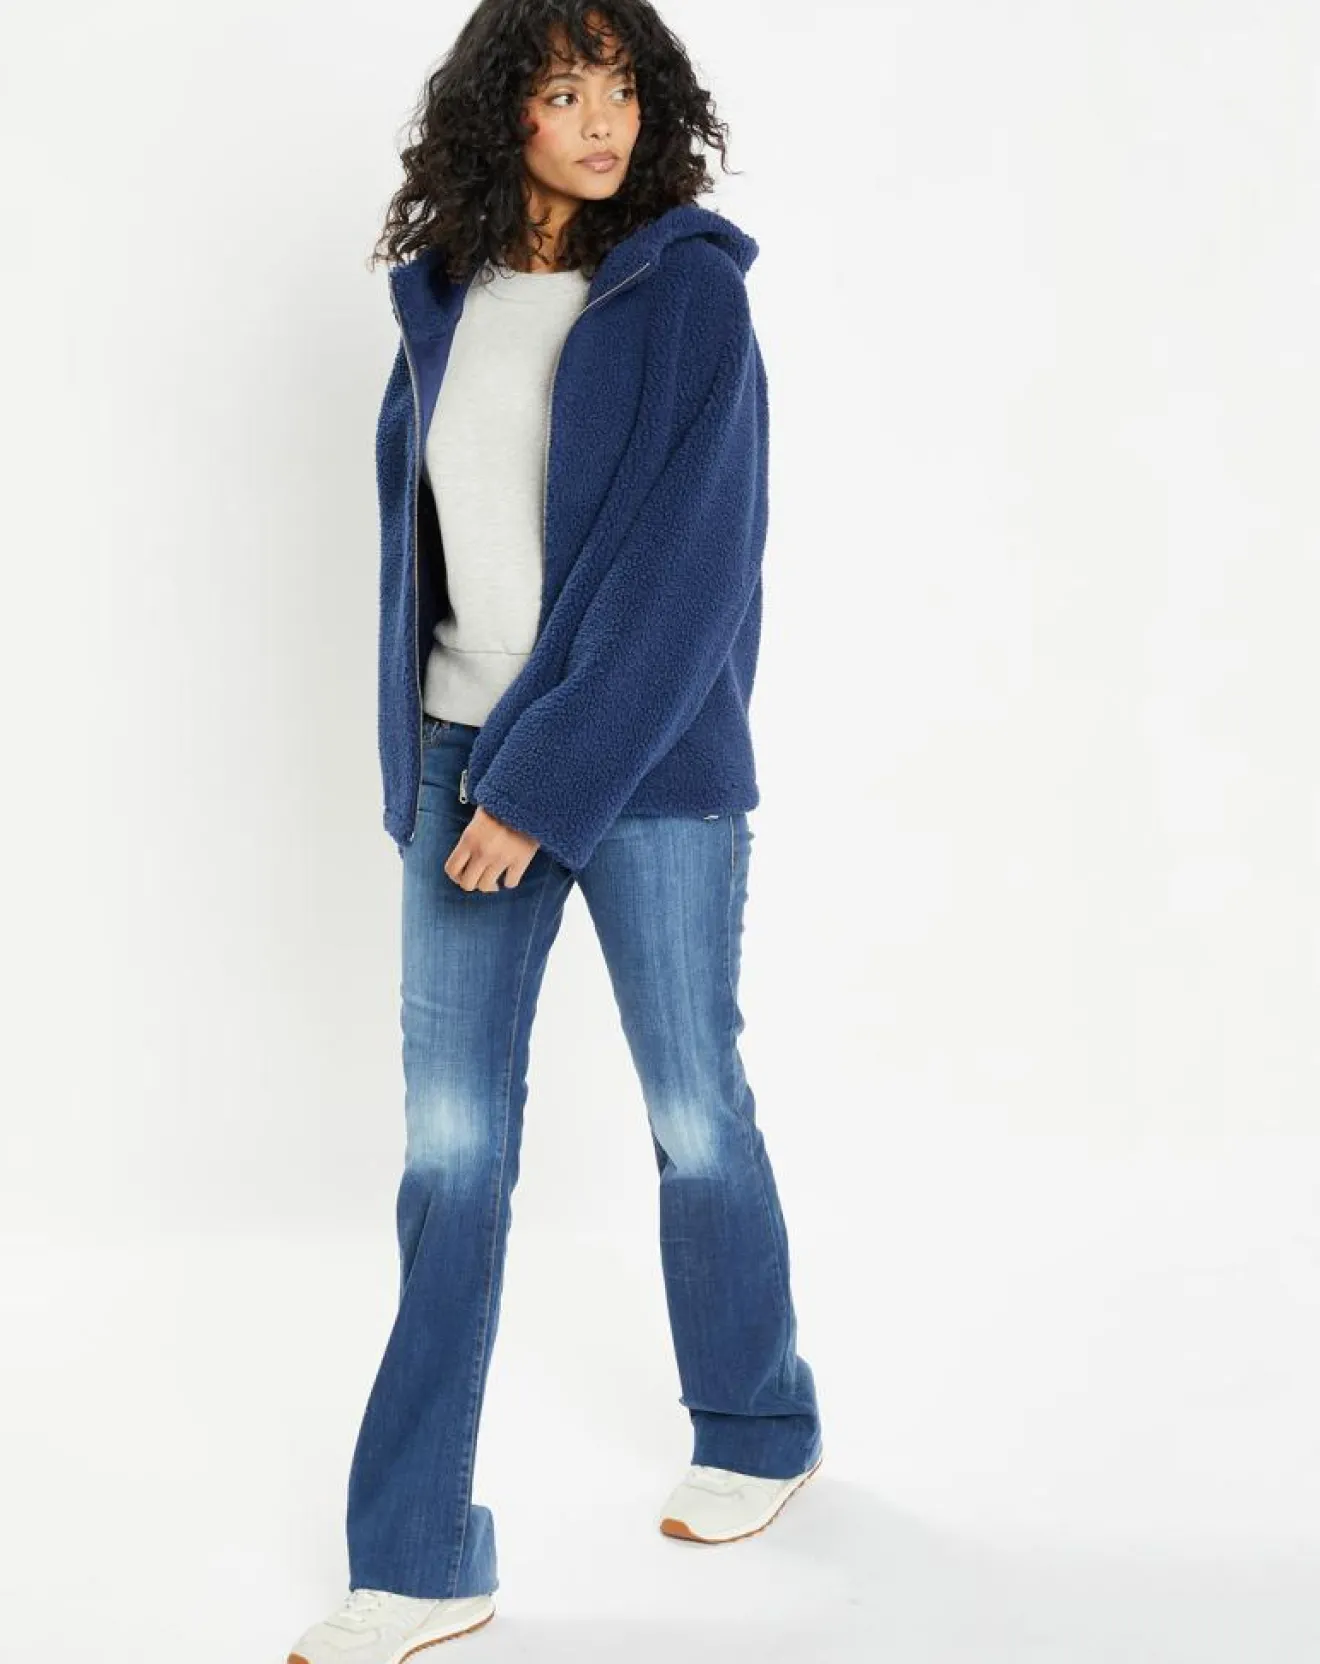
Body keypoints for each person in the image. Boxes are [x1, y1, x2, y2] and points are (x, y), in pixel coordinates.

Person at [288, 3, 823, 1658]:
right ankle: (418, 1555)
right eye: (563, 89)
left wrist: (540, 789)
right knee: (451, 1157)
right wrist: (447, 770)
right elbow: (433, 549)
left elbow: (688, 578)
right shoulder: (443, 296)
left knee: (694, 1108)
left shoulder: (689, 293)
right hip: (461, 760)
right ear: (501, 111)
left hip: (644, 764)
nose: (601, 121)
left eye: (623, 89)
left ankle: (758, 1424)